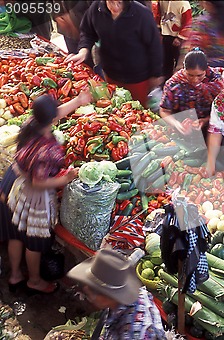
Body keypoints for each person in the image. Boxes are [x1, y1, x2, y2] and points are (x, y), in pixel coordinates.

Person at [5, 90, 92, 295]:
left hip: (19, 188)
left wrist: (78, 101)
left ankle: (15, 274)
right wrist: (67, 178)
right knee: (34, 243)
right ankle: (34, 281)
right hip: (35, 196)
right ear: (51, 118)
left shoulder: (31, 123)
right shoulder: (47, 149)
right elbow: (38, 183)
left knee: (17, 234)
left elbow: (56, 113)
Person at [65, 0, 163, 107]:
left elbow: (155, 47)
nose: (115, 7)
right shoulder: (96, 9)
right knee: (115, 107)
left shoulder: (141, 14)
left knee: (137, 110)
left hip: (137, 78)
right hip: (110, 73)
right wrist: (83, 51)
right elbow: (87, 32)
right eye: (111, 2)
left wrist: (155, 74)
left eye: (119, 2)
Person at [67, 248, 166, 339]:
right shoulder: (133, 297)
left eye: (90, 292)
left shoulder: (131, 334)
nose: (86, 289)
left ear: (105, 297)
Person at [159, 49, 224, 135]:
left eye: (199, 75)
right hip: (183, 132)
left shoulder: (216, 81)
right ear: (184, 69)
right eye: (190, 75)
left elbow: (223, 110)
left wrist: (205, 120)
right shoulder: (174, 84)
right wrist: (177, 124)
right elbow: (164, 110)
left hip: (213, 132)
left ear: (206, 69)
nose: (195, 80)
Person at [158, 1, 192, 80]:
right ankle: (166, 83)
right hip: (165, 35)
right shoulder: (162, 2)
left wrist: (180, 37)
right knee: (166, 62)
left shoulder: (183, 3)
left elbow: (188, 22)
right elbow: (159, 16)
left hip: (177, 36)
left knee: (179, 63)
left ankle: (179, 82)